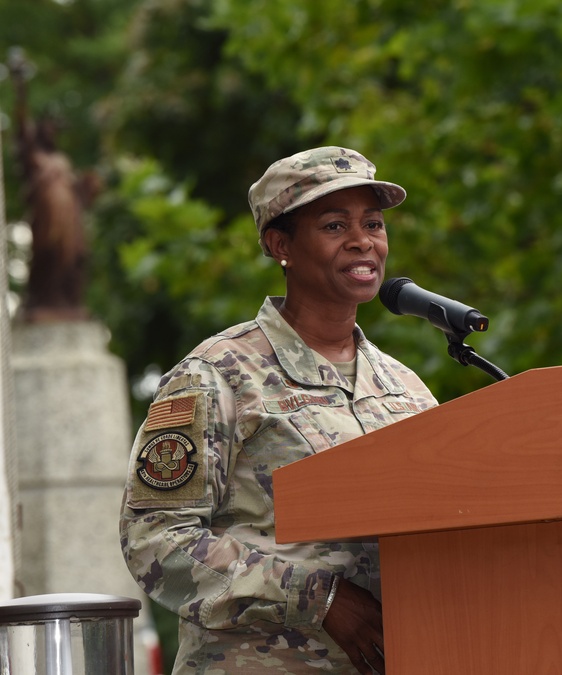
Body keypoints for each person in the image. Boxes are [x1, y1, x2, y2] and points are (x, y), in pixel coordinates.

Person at [120, 146, 438, 674]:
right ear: (279, 244)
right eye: (335, 226)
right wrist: (319, 599)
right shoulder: (216, 374)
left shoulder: (404, 386)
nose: (363, 241)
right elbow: (155, 541)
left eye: (374, 223)